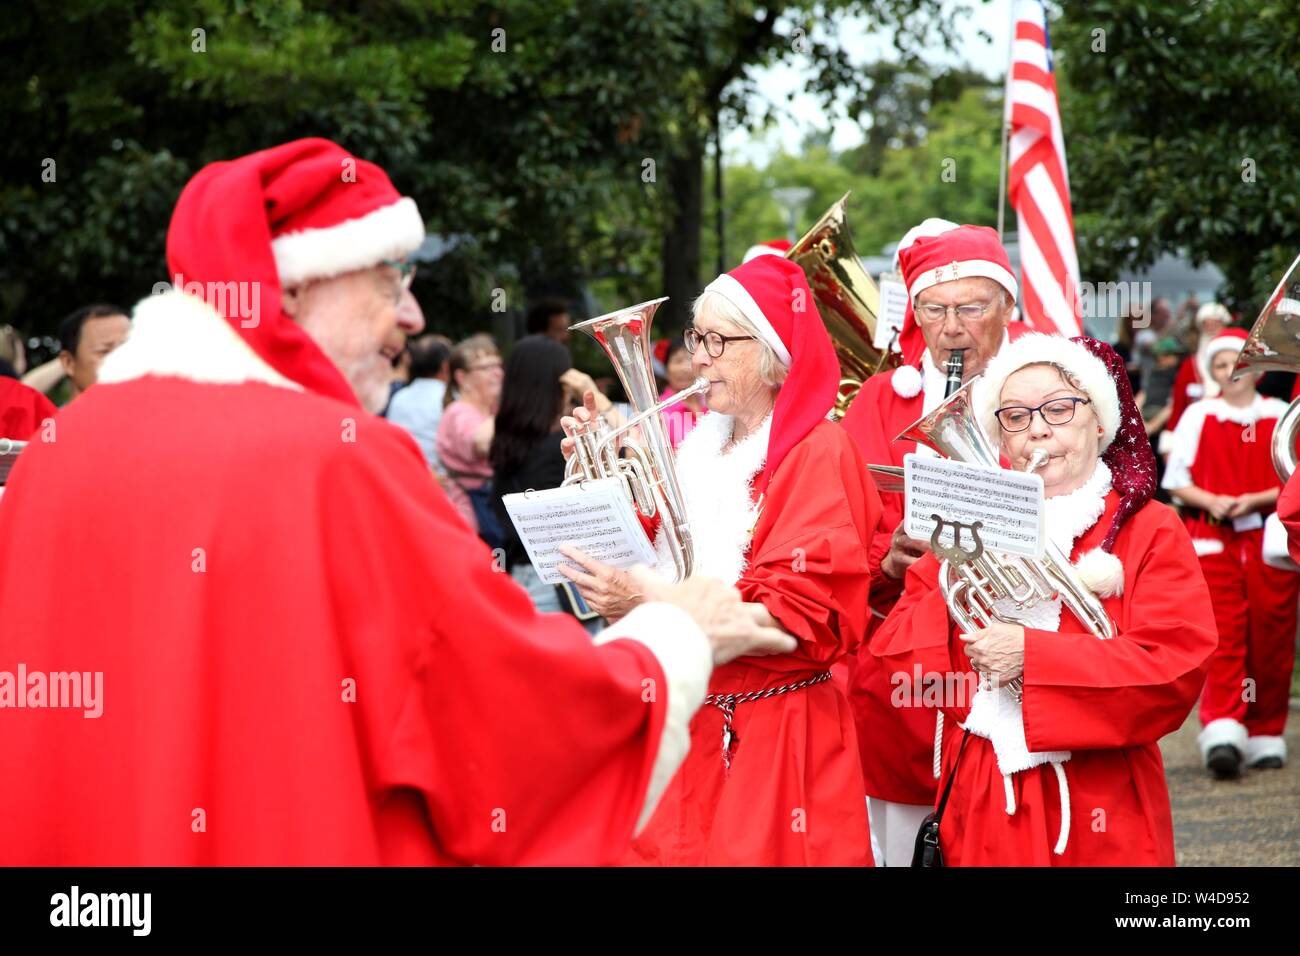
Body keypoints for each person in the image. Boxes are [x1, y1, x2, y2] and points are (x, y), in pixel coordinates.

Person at [0, 137, 796, 866]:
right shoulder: (330, 459)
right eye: (389, 280)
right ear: (297, 285)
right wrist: (679, 638)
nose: (412, 318)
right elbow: (506, 721)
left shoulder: (57, 453)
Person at [557, 255, 880, 865]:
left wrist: (648, 600)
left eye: (716, 340)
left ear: (771, 353)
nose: (697, 357)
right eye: (694, 336)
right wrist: (592, 489)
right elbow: (652, 557)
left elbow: (801, 619)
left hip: (774, 736)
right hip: (686, 723)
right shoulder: (702, 447)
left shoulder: (818, 451)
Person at [872, 334, 1216, 865]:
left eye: (1059, 408)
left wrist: (1033, 656)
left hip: (1099, 795)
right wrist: (959, 590)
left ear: (1099, 422)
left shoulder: (1151, 528)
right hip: (984, 788)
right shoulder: (970, 527)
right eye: (1014, 416)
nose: (1037, 428)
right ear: (1001, 438)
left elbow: (1174, 670)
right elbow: (896, 654)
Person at [839, 220, 1029, 866]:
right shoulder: (877, 403)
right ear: (914, 312)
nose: (952, 327)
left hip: (1018, 665)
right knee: (908, 849)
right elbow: (842, 538)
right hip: (909, 683)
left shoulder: (1044, 395)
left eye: (972, 307)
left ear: (1007, 305)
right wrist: (884, 559)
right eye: (934, 309)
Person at [1162, 326, 1298, 776]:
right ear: (1211, 371)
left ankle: (1264, 730)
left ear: (1255, 369)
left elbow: (1292, 475)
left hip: (1266, 537)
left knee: (1271, 634)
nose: (1230, 372)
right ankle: (1223, 725)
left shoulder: (1280, 413)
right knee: (1222, 635)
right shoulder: (1199, 415)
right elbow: (1176, 479)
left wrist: (1259, 499)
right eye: (1221, 364)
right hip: (1213, 537)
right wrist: (1210, 500)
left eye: (1237, 363)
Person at [490, 335, 613, 627]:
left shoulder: (506, 441)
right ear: (560, 385)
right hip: (559, 587)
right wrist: (596, 396)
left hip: (521, 576)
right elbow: (629, 442)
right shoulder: (560, 446)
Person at [436, 333, 505, 548]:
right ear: (461, 377)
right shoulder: (459, 412)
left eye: (498, 366)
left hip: (489, 510)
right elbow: (482, 444)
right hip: (474, 518)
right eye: (486, 368)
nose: (497, 373)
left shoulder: (491, 410)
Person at [1163, 302, 1230, 445]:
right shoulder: (1190, 366)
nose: (1211, 329)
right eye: (1207, 325)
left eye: (1216, 324)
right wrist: (1170, 441)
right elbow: (1178, 406)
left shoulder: (1239, 365)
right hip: (1196, 436)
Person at [386, 329, 452, 472]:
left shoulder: (399, 397)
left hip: (403, 473)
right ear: (446, 366)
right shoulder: (449, 398)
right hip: (442, 482)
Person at [53, 304, 131, 401]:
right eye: (105, 351)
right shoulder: (52, 416)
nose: (122, 360)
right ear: (68, 362)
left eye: (128, 350)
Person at [658, 336, 706, 448]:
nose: (684, 368)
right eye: (678, 361)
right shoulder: (658, 412)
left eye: (690, 360)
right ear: (666, 368)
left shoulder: (713, 403)